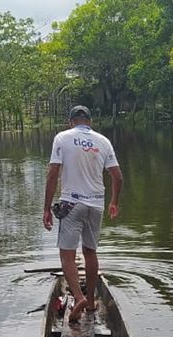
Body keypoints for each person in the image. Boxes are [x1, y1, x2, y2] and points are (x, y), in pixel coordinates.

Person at [42, 105, 123, 322]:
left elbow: (52, 175)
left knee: (67, 254)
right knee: (90, 252)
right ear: (90, 121)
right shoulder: (103, 141)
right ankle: (90, 302)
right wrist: (114, 202)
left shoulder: (62, 138)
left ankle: (78, 297)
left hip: (72, 203)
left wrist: (46, 208)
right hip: (96, 204)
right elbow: (118, 177)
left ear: (71, 122)